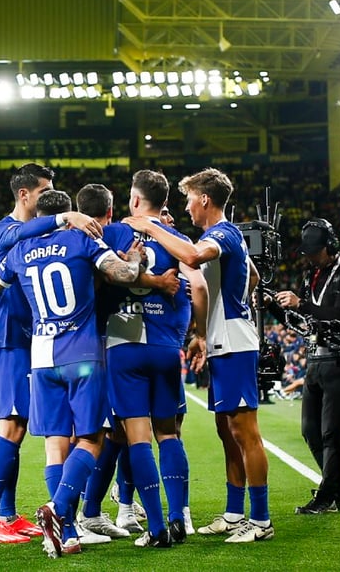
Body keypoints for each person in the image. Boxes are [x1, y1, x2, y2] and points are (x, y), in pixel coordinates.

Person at [0, 189, 144, 558]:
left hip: (41, 357)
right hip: (81, 354)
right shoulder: (81, 239)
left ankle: (66, 535)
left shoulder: (19, 252)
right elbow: (124, 273)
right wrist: (137, 257)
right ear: (69, 213)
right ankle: (60, 507)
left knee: (55, 445)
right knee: (91, 439)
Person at [122, 167, 273, 544]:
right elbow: (252, 276)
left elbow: (190, 254)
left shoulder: (221, 233)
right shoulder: (225, 237)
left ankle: (262, 520)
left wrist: (150, 225)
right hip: (224, 340)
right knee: (226, 431)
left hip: (235, 343)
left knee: (245, 432)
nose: (186, 206)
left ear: (205, 199)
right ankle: (235, 513)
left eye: (189, 198)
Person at [0, 163, 101, 545]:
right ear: (25, 195)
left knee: (24, 427)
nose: (49, 197)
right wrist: (65, 215)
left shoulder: (43, 234)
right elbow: (24, 235)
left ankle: (8, 514)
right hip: (7, 338)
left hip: (34, 342)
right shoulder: (4, 230)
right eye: (44, 191)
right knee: (10, 425)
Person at [83, 173, 205, 547]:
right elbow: (198, 285)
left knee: (136, 438)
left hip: (124, 343)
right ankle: (179, 517)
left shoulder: (115, 233)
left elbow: (97, 276)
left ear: (134, 200)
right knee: (169, 433)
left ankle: (155, 529)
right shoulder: (178, 238)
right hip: (166, 345)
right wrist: (198, 332)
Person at [269, 217, 340, 514]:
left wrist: (302, 304)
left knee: (330, 432)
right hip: (316, 358)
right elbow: (302, 320)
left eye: (314, 250)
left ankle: (327, 496)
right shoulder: (312, 274)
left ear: (330, 246)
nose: (309, 256)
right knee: (310, 430)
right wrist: (274, 305)